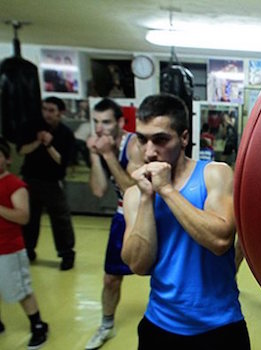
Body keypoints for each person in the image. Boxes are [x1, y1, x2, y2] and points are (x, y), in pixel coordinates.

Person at [121, 93, 249, 349]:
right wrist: (147, 196)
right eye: (142, 139)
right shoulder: (135, 194)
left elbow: (221, 240)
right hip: (160, 325)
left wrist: (167, 191)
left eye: (161, 140)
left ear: (184, 137)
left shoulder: (214, 174)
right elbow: (138, 264)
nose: (149, 151)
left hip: (220, 326)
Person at [85, 98, 143, 350]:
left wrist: (108, 154)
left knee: (166, 273)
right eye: (96, 122)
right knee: (110, 279)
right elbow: (98, 190)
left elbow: (133, 190)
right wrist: (95, 155)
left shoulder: (135, 145)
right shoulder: (101, 145)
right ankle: (106, 325)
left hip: (151, 213)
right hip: (122, 216)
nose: (100, 128)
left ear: (120, 122)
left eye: (106, 122)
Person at [0, 136, 49, 349]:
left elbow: (23, 217)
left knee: (20, 289)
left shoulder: (15, 185)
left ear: (7, 160)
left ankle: (38, 325)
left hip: (9, 248)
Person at [17, 96, 76, 270]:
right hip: (30, 179)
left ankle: (66, 254)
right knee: (29, 218)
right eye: (45, 109)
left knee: (60, 219)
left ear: (60, 113)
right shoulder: (32, 126)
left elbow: (62, 161)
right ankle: (28, 249)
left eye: (51, 111)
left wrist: (49, 145)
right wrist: (38, 141)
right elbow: (21, 150)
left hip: (53, 181)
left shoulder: (65, 134)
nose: (47, 114)